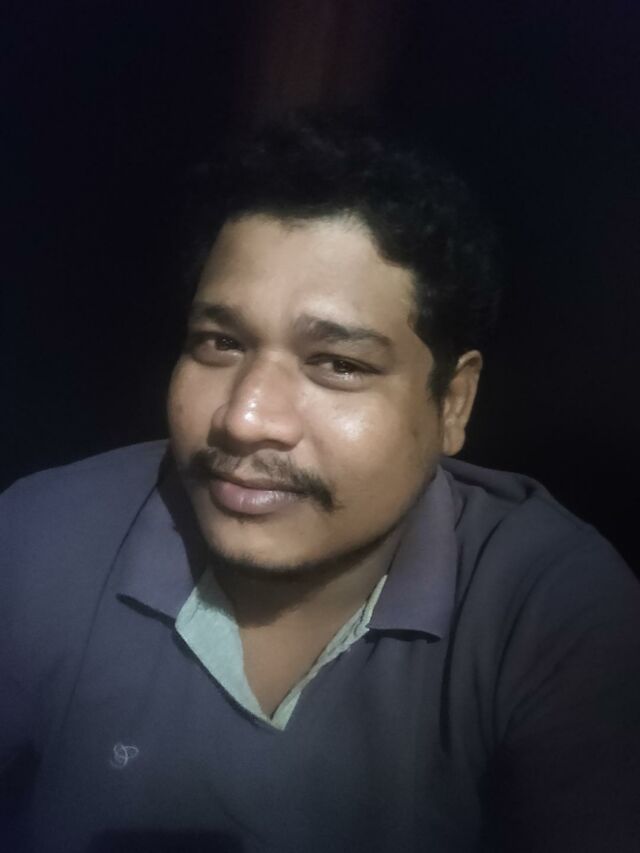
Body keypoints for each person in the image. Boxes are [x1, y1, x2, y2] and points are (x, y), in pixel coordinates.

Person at [2, 116, 639, 853]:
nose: (244, 419)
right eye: (220, 343)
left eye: (339, 364)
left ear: (452, 405)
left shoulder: (548, 607)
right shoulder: (40, 538)